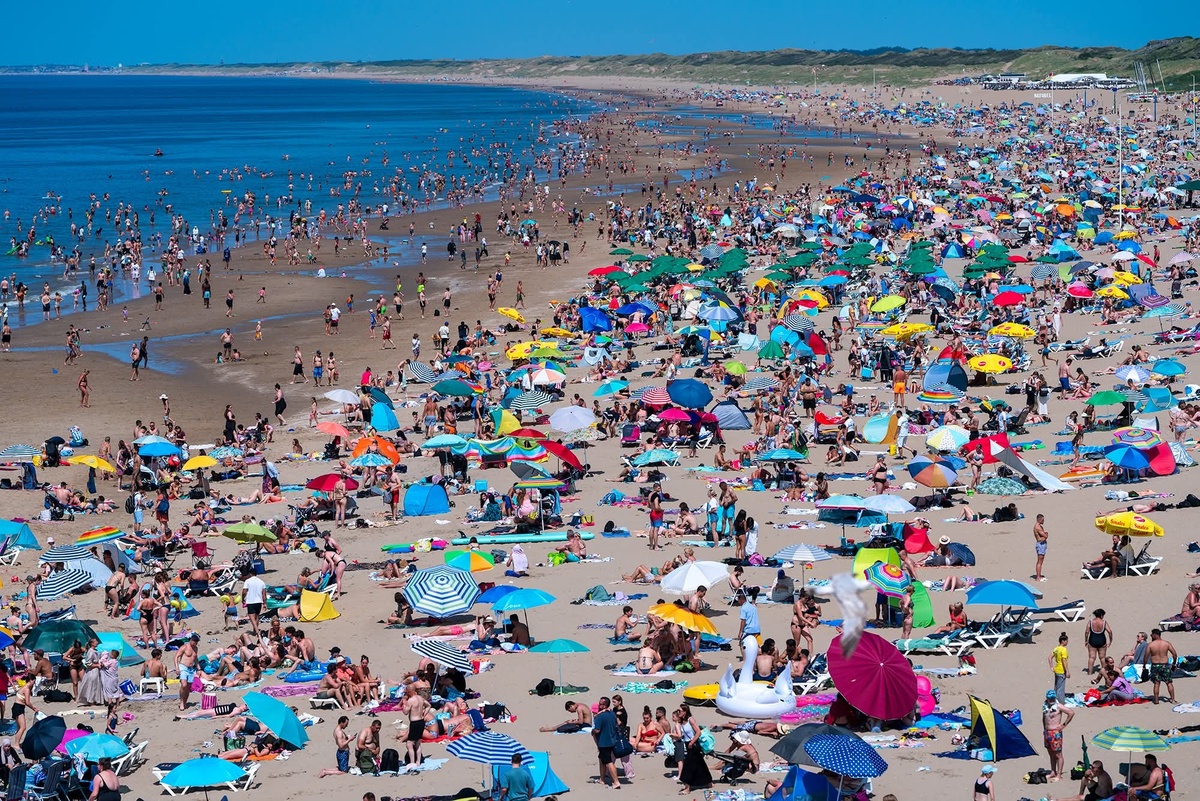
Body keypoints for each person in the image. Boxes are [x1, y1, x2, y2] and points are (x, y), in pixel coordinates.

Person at [1042, 693, 1074, 782]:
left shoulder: (1058, 706)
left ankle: (1059, 775)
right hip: (1047, 732)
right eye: (1050, 698)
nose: (1051, 700)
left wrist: (1064, 724)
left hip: (1055, 733)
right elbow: (1043, 718)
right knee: (1051, 753)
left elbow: (1071, 713)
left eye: (1053, 698)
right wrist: (1044, 729)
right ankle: (1053, 771)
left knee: (1058, 754)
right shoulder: (1045, 706)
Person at [591, 696, 622, 788]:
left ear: (604, 706)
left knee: (608, 761)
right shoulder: (612, 713)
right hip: (612, 740)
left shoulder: (600, 717)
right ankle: (602, 779)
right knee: (601, 759)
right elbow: (617, 724)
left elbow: (597, 730)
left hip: (604, 742)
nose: (599, 705)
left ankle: (616, 782)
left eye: (601, 704)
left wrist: (592, 731)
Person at [1146, 628, 1178, 704]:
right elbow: (1174, 654)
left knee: (1157, 683)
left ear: (1154, 635)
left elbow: (1146, 656)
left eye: (1151, 635)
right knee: (1169, 682)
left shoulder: (1151, 645)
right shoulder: (1166, 643)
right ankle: (1173, 700)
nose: (1151, 636)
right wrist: (1174, 663)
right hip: (1165, 665)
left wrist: (1144, 666)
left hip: (1155, 666)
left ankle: (1156, 700)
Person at [1084, 609, 1112, 675]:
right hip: (1101, 640)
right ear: (1101, 615)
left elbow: (1087, 632)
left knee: (1091, 657)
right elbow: (1110, 632)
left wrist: (1086, 640)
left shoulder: (1091, 622)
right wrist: (1110, 640)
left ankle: (1090, 672)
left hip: (1092, 640)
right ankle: (1104, 672)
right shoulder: (1104, 622)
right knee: (1102, 657)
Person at [1050, 632, 1070, 703]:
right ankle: (1061, 702)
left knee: (1056, 686)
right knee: (1061, 688)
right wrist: (1067, 671)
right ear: (1063, 641)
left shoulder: (1056, 648)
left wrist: (1051, 667)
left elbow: (1049, 657)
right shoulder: (1063, 650)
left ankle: (1054, 699)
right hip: (1061, 670)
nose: (1067, 642)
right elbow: (1064, 660)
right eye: (1066, 641)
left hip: (1056, 669)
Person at [1033, 513, 1049, 582]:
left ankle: (1039, 575)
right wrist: (1046, 535)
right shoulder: (1038, 527)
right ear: (1039, 519)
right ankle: (1038, 577)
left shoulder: (1039, 526)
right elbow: (1045, 536)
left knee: (1041, 561)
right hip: (1040, 544)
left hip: (1042, 544)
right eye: (1042, 520)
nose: (1043, 521)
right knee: (1040, 561)